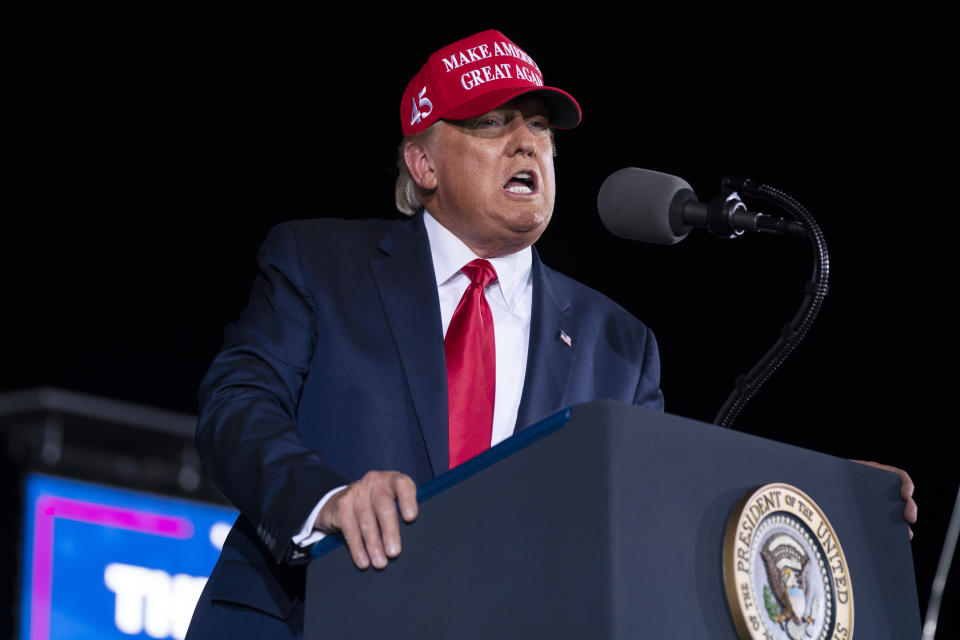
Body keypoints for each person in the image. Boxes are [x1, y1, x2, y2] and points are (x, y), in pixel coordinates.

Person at [185, 29, 915, 639]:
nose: (526, 142)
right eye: (492, 122)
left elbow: (652, 514)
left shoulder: (618, 345)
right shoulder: (319, 262)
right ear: (422, 161)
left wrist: (827, 500)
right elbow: (237, 405)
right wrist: (329, 499)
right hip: (308, 618)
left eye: (538, 126)